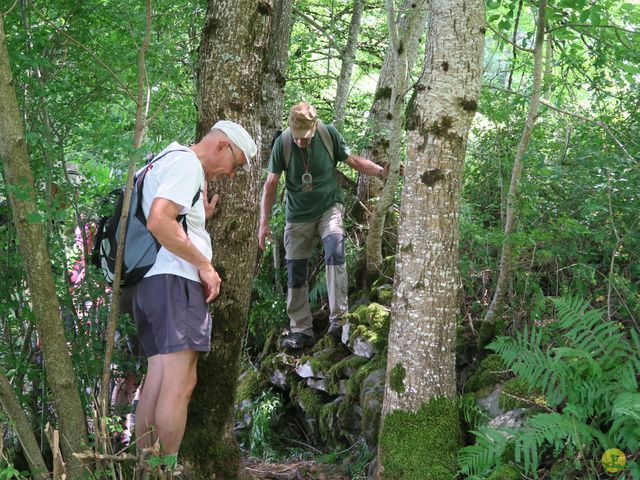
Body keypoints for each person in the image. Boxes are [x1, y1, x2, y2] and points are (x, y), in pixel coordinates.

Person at [133, 121, 256, 470]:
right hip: (176, 282)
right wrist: (204, 264)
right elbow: (160, 220)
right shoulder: (188, 164)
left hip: (150, 283)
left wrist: (199, 217)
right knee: (181, 383)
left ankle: (144, 470)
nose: (232, 175)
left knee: (157, 377)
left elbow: (166, 216)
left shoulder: (163, 159)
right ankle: (164, 470)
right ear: (221, 146)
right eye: (236, 163)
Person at [258, 102, 389, 350]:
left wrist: (383, 172)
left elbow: (356, 162)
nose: (300, 142)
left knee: (335, 252)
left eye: (305, 138)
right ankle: (301, 331)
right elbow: (271, 184)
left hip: (329, 208)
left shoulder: (329, 135)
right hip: (297, 215)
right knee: (295, 269)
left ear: (315, 127)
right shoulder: (283, 143)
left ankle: (339, 320)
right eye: (297, 137)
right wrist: (263, 223)